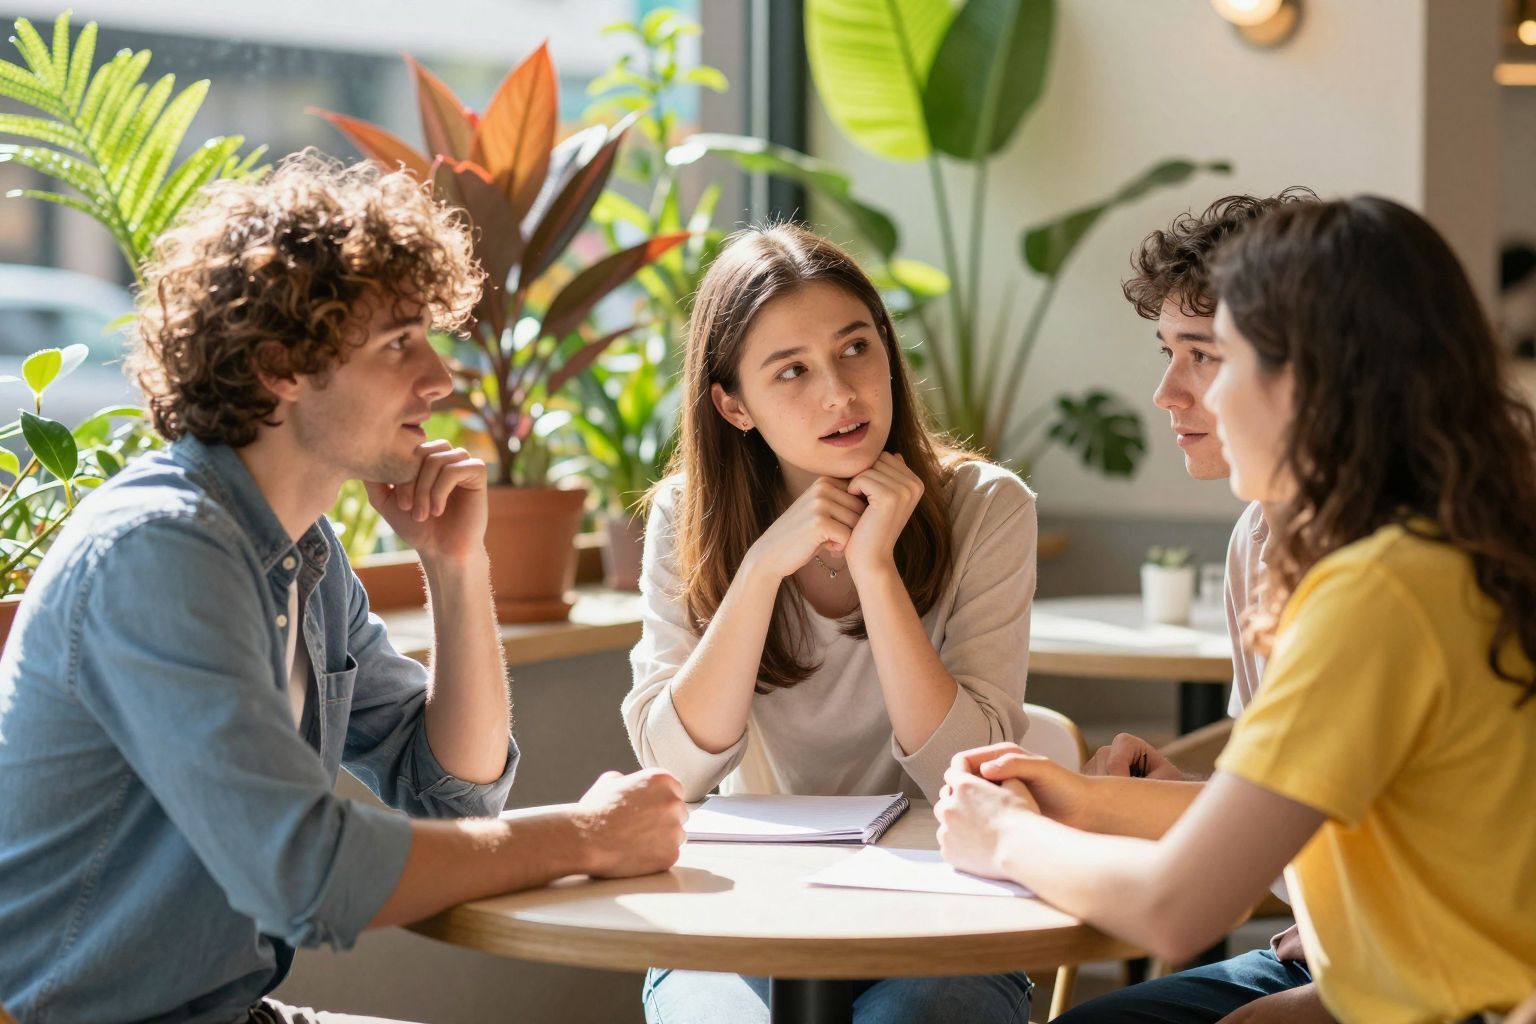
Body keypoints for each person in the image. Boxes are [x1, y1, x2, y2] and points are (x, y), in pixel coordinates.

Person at [0, 153, 687, 1024]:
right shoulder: (160, 553)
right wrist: (585, 837)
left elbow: (453, 795)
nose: (440, 379)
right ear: (280, 365)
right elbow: (305, 874)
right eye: (399, 343)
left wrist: (455, 567)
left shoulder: (302, 554)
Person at [937, 196, 1536, 1024]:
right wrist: (1081, 800)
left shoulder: (1376, 593)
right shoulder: (1444, 551)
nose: (1190, 398)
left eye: (1223, 360)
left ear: (1316, 386)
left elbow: (1174, 911)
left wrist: (1005, 835)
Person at [624, 224, 1036, 1023]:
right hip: (743, 917)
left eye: (855, 349)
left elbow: (966, 773)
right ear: (732, 405)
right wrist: (760, 570)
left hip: (944, 917)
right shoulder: (687, 516)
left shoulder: (987, 508)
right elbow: (674, 771)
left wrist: (876, 569)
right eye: (793, 371)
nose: (841, 394)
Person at [1068, 189, 1331, 1024]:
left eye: (1203, 356)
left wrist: (1051, 814)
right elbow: (1291, 817)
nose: (1167, 393)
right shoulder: (1257, 536)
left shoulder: (1376, 573)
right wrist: (1184, 792)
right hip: (1319, 948)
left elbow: (1177, 915)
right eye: (1167, 353)